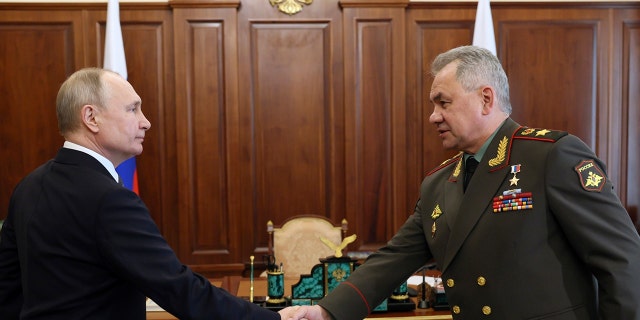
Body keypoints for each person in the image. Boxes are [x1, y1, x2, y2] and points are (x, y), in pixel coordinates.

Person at [281, 45, 640, 319]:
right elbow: (394, 259)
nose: (432, 116)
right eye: (433, 104)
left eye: (443, 103)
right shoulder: (438, 184)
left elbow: (622, 261)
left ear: (486, 98)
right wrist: (327, 311)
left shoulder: (549, 156)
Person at [0, 68, 288, 319]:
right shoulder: (109, 199)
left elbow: (8, 293)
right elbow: (177, 287)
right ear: (91, 117)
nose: (145, 121)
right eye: (132, 109)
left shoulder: (27, 187)